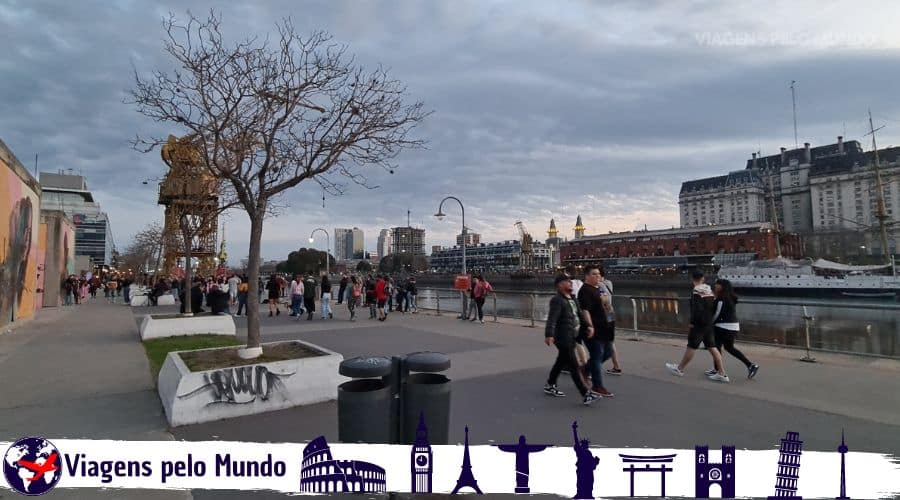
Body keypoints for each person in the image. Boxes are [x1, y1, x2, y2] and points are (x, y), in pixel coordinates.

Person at [543, 274, 600, 406]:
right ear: (560, 285)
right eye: (566, 281)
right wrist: (549, 334)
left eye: (570, 281)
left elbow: (579, 316)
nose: (570, 283)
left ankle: (550, 384)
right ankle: (586, 394)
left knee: (560, 362)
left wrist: (588, 327)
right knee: (574, 366)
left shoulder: (573, 299)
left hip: (572, 335)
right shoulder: (557, 300)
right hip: (562, 337)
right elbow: (552, 319)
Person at [666, 270, 729, 382]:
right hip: (708, 323)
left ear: (692, 279)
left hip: (699, 324)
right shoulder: (709, 291)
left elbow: (696, 310)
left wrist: (692, 323)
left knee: (692, 346)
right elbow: (712, 307)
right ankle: (722, 373)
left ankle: (679, 369)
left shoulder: (696, 292)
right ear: (703, 279)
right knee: (712, 347)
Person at [707, 279, 759, 379]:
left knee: (716, 347)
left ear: (722, 286)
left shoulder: (721, 299)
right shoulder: (730, 297)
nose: (715, 286)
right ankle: (750, 365)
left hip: (722, 326)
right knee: (729, 347)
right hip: (733, 326)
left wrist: (709, 324)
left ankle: (718, 370)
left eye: (717, 285)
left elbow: (716, 314)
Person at [578, 265, 615, 398]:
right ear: (587, 276)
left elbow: (606, 305)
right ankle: (598, 386)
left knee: (608, 352)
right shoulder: (585, 291)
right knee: (597, 355)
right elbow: (585, 310)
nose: (598, 276)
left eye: (599, 274)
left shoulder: (599, 288)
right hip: (594, 330)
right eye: (594, 274)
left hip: (605, 329)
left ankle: (585, 369)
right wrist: (589, 325)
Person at [597, 266, 623, 376]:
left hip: (604, 315)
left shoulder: (599, 286)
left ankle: (592, 366)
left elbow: (602, 300)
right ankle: (615, 366)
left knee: (599, 342)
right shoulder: (609, 283)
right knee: (609, 341)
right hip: (611, 314)